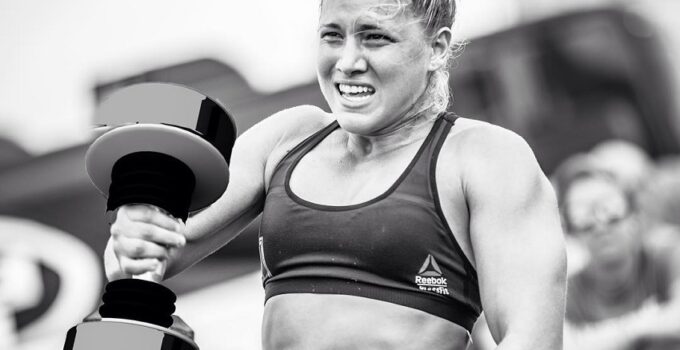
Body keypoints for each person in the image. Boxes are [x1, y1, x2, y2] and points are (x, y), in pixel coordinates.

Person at [105, 0, 567, 348]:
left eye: (374, 37)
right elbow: (140, 262)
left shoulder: (484, 156)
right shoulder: (287, 138)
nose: (347, 62)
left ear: (436, 48)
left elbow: (532, 340)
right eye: (332, 35)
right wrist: (134, 231)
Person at [552, 155, 680, 350]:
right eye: (583, 215)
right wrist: (643, 325)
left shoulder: (666, 254)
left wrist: (602, 337)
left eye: (610, 208)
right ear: (570, 230)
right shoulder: (567, 293)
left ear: (634, 215)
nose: (600, 226)